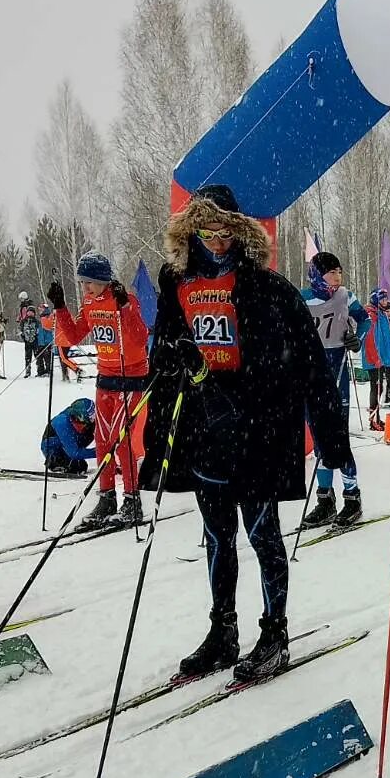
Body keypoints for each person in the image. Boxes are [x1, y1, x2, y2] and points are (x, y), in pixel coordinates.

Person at [142, 183, 351, 684]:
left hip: (257, 430)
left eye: (225, 233)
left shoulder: (267, 284)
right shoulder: (177, 283)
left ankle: (275, 633)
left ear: (239, 233)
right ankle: (223, 631)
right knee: (217, 537)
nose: (216, 242)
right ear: (191, 231)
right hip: (206, 430)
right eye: (206, 232)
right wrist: (169, 382)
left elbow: (309, 362)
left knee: (263, 535)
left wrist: (330, 434)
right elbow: (161, 359)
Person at [49, 252, 149, 527]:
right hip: (106, 378)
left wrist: (126, 305)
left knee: (122, 439)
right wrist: (60, 306)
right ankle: (107, 497)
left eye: (90, 283)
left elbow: (141, 336)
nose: (86, 288)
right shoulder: (90, 301)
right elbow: (74, 335)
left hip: (131, 377)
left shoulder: (123, 298)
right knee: (103, 439)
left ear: (103, 280)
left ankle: (132, 499)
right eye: (82, 283)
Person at [300, 250, 370, 527]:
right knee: (319, 439)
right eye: (332, 272)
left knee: (338, 437)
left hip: (337, 370)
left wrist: (357, 339)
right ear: (317, 275)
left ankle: (352, 497)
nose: (337, 277)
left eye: (340, 271)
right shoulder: (303, 299)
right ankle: (325, 499)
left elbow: (365, 319)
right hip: (311, 374)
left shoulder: (346, 296)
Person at [40, 396, 94, 476]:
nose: (82, 427)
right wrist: (99, 452)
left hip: (73, 440)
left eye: (85, 424)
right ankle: (54, 462)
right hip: (54, 448)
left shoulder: (89, 420)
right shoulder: (62, 423)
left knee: (80, 465)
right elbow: (74, 453)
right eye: (81, 424)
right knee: (76, 467)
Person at [18, 292, 39, 376]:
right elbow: (21, 315)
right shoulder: (23, 306)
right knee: (28, 355)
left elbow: (23, 314)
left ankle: (39, 369)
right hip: (27, 337)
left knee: (36, 354)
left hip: (33, 338)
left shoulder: (26, 305)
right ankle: (28, 370)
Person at [35, 306, 55, 378]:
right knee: (39, 357)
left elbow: (49, 330)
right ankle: (41, 371)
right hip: (41, 342)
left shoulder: (47, 318)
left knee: (47, 357)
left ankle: (48, 371)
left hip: (47, 342)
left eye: (41, 310)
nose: (39, 311)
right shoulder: (40, 320)